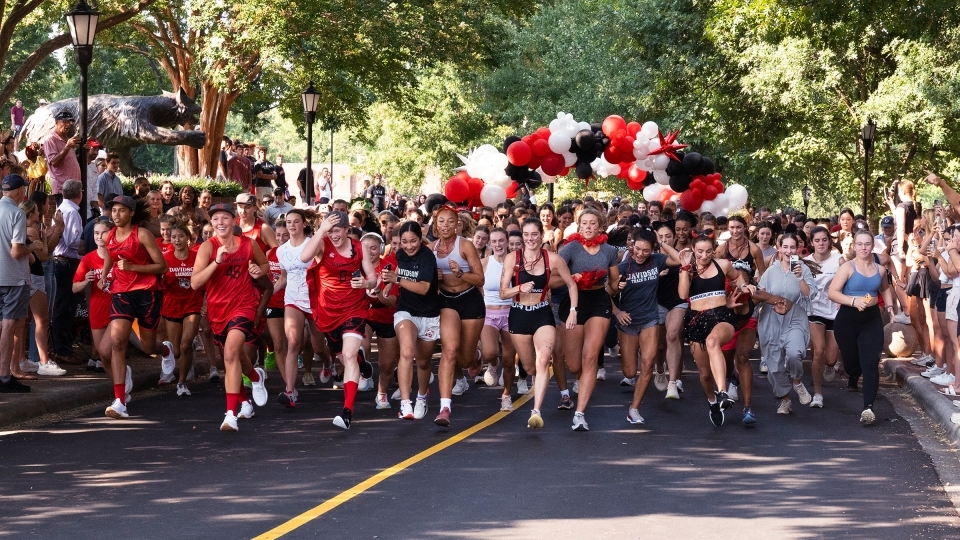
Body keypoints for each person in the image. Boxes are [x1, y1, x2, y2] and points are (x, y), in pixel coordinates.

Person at [191, 203, 271, 431]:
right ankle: (254, 379)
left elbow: (264, 264)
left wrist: (259, 270)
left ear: (233, 220)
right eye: (215, 219)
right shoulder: (207, 247)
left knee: (230, 353)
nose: (220, 223)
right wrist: (216, 261)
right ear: (211, 223)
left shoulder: (248, 244)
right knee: (234, 356)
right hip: (218, 311)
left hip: (244, 306)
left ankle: (230, 414)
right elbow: (196, 283)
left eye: (224, 218)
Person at [300, 210, 378, 429]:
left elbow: (372, 277)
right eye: (331, 230)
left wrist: (365, 284)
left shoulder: (358, 247)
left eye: (338, 230)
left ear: (346, 230)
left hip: (354, 307)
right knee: (343, 356)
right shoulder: (322, 244)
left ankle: (347, 412)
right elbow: (304, 257)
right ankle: (362, 363)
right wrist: (322, 230)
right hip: (328, 310)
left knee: (349, 354)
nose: (334, 235)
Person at [97, 196, 171, 419]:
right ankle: (120, 400)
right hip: (121, 292)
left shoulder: (142, 234)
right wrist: (104, 276)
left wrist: (132, 267)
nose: (116, 215)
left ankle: (165, 350)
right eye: (113, 211)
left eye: (121, 211)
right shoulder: (110, 236)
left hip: (147, 292)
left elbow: (162, 266)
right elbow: (111, 257)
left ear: (131, 213)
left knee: (148, 348)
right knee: (118, 342)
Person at [501, 218, 578, 428]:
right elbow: (502, 292)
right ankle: (534, 376)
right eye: (526, 235)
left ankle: (536, 411)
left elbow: (571, 284)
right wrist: (519, 288)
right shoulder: (512, 259)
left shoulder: (553, 259)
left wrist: (573, 311)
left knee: (544, 359)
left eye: (534, 234)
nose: (530, 239)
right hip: (519, 314)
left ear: (541, 235)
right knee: (529, 366)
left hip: (542, 312)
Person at [558, 208, 621, 431]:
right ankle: (579, 380)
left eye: (593, 223)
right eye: (584, 223)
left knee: (591, 356)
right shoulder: (570, 249)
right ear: (579, 225)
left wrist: (618, 285)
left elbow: (613, 285)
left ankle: (580, 414)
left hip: (598, 300)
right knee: (574, 363)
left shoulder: (609, 250)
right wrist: (569, 278)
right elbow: (554, 275)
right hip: (575, 302)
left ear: (600, 226)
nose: (588, 227)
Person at [678, 234, 749, 426]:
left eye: (708, 251)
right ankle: (712, 401)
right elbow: (683, 294)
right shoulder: (688, 269)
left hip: (722, 316)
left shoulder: (723, 265)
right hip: (696, 320)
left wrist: (742, 288)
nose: (704, 255)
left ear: (713, 250)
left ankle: (723, 392)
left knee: (712, 342)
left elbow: (738, 278)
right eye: (700, 251)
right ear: (693, 249)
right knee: (704, 374)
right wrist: (685, 268)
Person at [828, 229, 895, 425]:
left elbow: (884, 288)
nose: (864, 248)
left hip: (871, 319)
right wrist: (853, 301)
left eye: (867, 244)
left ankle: (868, 408)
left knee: (871, 362)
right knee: (851, 364)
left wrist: (889, 306)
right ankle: (852, 374)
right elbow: (833, 292)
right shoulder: (847, 268)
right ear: (854, 246)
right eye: (860, 244)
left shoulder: (880, 269)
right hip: (848, 319)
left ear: (872, 246)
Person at [614, 228, 680, 424]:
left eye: (646, 250)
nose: (641, 254)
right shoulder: (623, 267)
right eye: (638, 249)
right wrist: (617, 312)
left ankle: (634, 409)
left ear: (653, 249)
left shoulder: (658, 260)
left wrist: (661, 243)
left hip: (650, 319)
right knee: (629, 372)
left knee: (648, 363)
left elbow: (680, 260)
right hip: (627, 322)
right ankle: (630, 363)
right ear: (632, 246)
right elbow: (605, 292)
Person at [430, 204, 485, 427]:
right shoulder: (430, 248)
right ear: (435, 224)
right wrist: (436, 278)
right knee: (449, 350)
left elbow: (479, 279)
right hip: (446, 301)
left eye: (450, 221)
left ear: (457, 224)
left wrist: (461, 273)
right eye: (441, 221)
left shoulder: (465, 246)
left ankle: (477, 356)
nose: (446, 225)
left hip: (470, 299)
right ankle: (445, 408)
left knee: (464, 360)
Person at [380, 221, 440, 421]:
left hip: (429, 314)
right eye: (404, 242)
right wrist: (389, 284)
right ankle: (405, 403)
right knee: (406, 351)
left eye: (413, 241)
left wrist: (396, 279)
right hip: (406, 311)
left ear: (420, 239)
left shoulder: (427, 257)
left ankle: (422, 395)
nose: (408, 246)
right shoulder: (400, 255)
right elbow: (399, 278)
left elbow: (423, 288)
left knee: (423, 362)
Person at [751, 233, 815, 416]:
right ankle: (786, 400)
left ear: (797, 249)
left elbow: (809, 294)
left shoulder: (803, 269)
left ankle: (797, 381)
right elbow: (761, 295)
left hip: (795, 318)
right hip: (771, 320)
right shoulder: (771, 271)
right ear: (778, 248)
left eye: (792, 247)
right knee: (774, 366)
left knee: (795, 353)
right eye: (785, 247)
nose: (788, 251)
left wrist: (800, 277)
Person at [275, 210, 326, 408]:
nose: (292, 225)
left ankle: (327, 362)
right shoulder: (281, 251)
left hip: (314, 299)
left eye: (296, 222)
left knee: (318, 346)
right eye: (289, 222)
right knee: (294, 342)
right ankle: (289, 392)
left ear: (304, 224)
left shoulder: (314, 244)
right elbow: (283, 278)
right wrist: (267, 294)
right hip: (293, 299)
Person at [0, 175, 39, 392]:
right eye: (22, 190)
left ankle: (4, 373)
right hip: (13, 277)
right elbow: (17, 251)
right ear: (17, 192)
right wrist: (33, 246)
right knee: (9, 325)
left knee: (3, 325)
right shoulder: (16, 213)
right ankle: (4, 376)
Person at [17, 200, 64, 376]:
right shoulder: (30, 231)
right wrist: (47, 235)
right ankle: (44, 361)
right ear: (30, 215)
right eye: (36, 211)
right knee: (42, 320)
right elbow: (44, 256)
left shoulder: (25, 230)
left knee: (25, 320)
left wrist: (46, 235)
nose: (39, 213)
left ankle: (22, 359)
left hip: (28, 276)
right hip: (35, 277)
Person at [160, 218, 205, 395]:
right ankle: (180, 356)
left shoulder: (197, 258)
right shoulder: (165, 259)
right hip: (171, 306)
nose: (177, 240)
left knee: (186, 345)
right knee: (177, 350)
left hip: (192, 305)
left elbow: (206, 282)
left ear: (188, 238)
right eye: (173, 237)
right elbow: (159, 283)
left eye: (180, 236)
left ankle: (181, 383)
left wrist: (205, 302)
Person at [361, 231, 400, 409]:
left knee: (386, 363)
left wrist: (377, 293)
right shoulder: (356, 267)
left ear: (381, 249)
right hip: (365, 314)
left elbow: (392, 300)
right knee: (362, 344)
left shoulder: (389, 268)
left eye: (374, 248)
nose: (370, 252)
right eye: (366, 248)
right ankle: (363, 372)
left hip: (386, 314)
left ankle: (381, 393)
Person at [805, 226, 842, 407]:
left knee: (831, 359)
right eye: (817, 240)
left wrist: (844, 298)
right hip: (814, 310)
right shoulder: (805, 262)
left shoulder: (838, 260)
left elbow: (850, 278)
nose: (821, 243)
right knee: (818, 351)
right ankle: (817, 394)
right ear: (811, 243)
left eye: (824, 240)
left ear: (829, 241)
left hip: (835, 311)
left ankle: (829, 365)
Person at [73, 218, 114, 374]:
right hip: (96, 309)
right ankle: (120, 383)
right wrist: (85, 281)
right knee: (103, 355)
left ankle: (121, 384)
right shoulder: (88, 259)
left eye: (104, 233)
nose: (99, 237)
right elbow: (74, 288)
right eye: (96, 233)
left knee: (113, 350)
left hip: (116, 310)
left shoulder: (118, 257)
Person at [50, 179, 84, 365]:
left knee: (65, 305)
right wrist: (86, 242)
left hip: (65, 262)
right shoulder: (70, 211)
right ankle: (63, 349)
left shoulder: (64, 208)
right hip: (67, 262)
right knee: (65, 306)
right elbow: (72, 241)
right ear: (79, 194)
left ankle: (64, 347)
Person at [42, 110, 81, 204]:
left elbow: (70, 161)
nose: (67, 125)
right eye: (64, 122)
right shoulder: (50, 139)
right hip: (63, 189)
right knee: (65, 217)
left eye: (69, 122)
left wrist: (85, 151)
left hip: (74, 188)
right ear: (56, 122)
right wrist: (67, 147)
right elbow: (54, 162)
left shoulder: (67, 139)